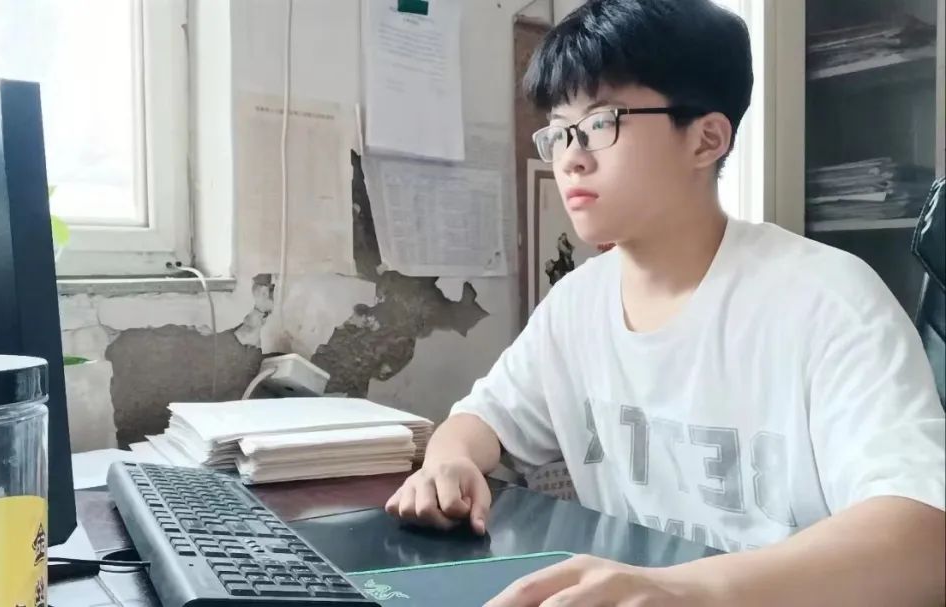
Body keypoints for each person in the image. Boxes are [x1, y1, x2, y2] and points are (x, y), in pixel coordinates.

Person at [384, 0, 946, 605]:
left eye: (601, 123)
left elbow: (924, 537)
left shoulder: (828, 301)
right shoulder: (578, 304)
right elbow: (484, 419)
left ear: (706, 139)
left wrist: (685, 592)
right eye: (560, 130)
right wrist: (449, 461)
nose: (571, 155)